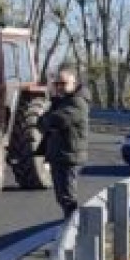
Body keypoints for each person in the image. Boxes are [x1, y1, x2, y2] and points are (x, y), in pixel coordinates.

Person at [40, 65, 89, 217]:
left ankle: (74, 226)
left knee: (68, 198)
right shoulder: (61, 101)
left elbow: (58, 120)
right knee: (62, 197)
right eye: (57, 84)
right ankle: (70, 223)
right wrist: (47, 119)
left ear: (74, 83)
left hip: (70, 156)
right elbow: (40, 122)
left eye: (63, 83)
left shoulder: (77, 102)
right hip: (59, 155)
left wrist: (47, 119)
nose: (59, 87)